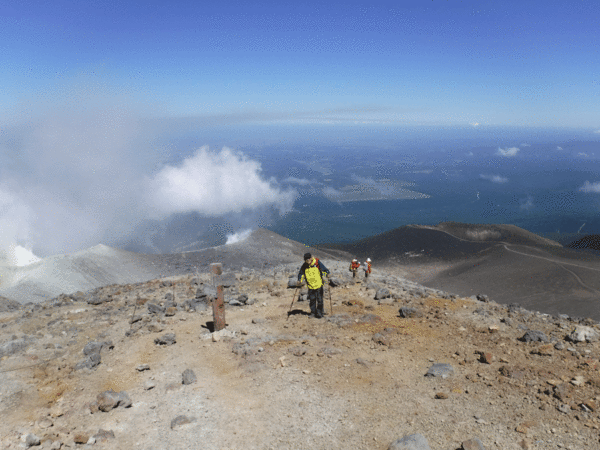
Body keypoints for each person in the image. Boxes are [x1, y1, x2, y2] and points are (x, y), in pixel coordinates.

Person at [297, 252, 330, 318]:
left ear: (311, 258)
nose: (307, 262)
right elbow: (301, 273)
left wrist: (327, 274)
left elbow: (325, 269)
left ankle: (320, 313)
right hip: (310, 286)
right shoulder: (304, 265)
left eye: (308, 260)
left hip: (319, 285)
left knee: (320, 300)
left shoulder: (317, 262)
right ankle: (313, 313)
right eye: (306, 260)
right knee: (312, 300)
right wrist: (299, 280)